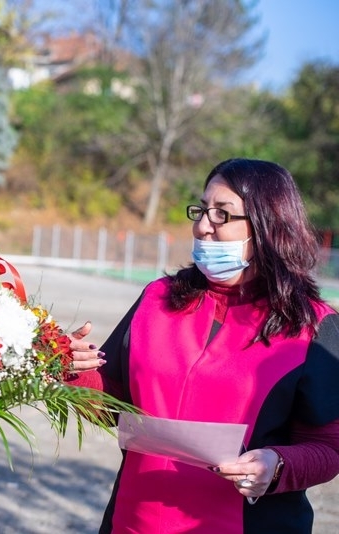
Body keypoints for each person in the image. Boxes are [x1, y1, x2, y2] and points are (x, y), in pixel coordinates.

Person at [68, 158, 339, 533]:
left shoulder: (313, 325)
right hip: (133, 521)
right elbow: (110, 405)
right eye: (201, 209)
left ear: (267, 226)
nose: (201, 225)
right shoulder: (156, 299)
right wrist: (73, 370)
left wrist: (277, 466)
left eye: (222, 214)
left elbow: (328, 447)